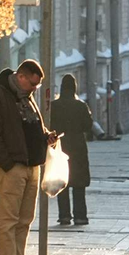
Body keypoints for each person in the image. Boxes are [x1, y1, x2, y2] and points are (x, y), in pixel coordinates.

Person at [0, 59, 58, 255]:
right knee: (8, 219)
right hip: (13, 167)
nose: (34, 89)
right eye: (32, 84)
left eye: (37, 85)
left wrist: (46, 137)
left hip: (32, 165)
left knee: (24, 220)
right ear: (20, 76)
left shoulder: (26, 98)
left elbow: (31, 128)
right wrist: (7, 163)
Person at [51, 74, 93, 226]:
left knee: (62, 181)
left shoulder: (54, 106)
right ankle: (80, 216)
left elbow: (50, 125)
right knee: (79, 183)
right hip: (78, 146)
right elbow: (88, 126)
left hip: (60, 146)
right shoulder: (81, 106)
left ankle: (64, 216)